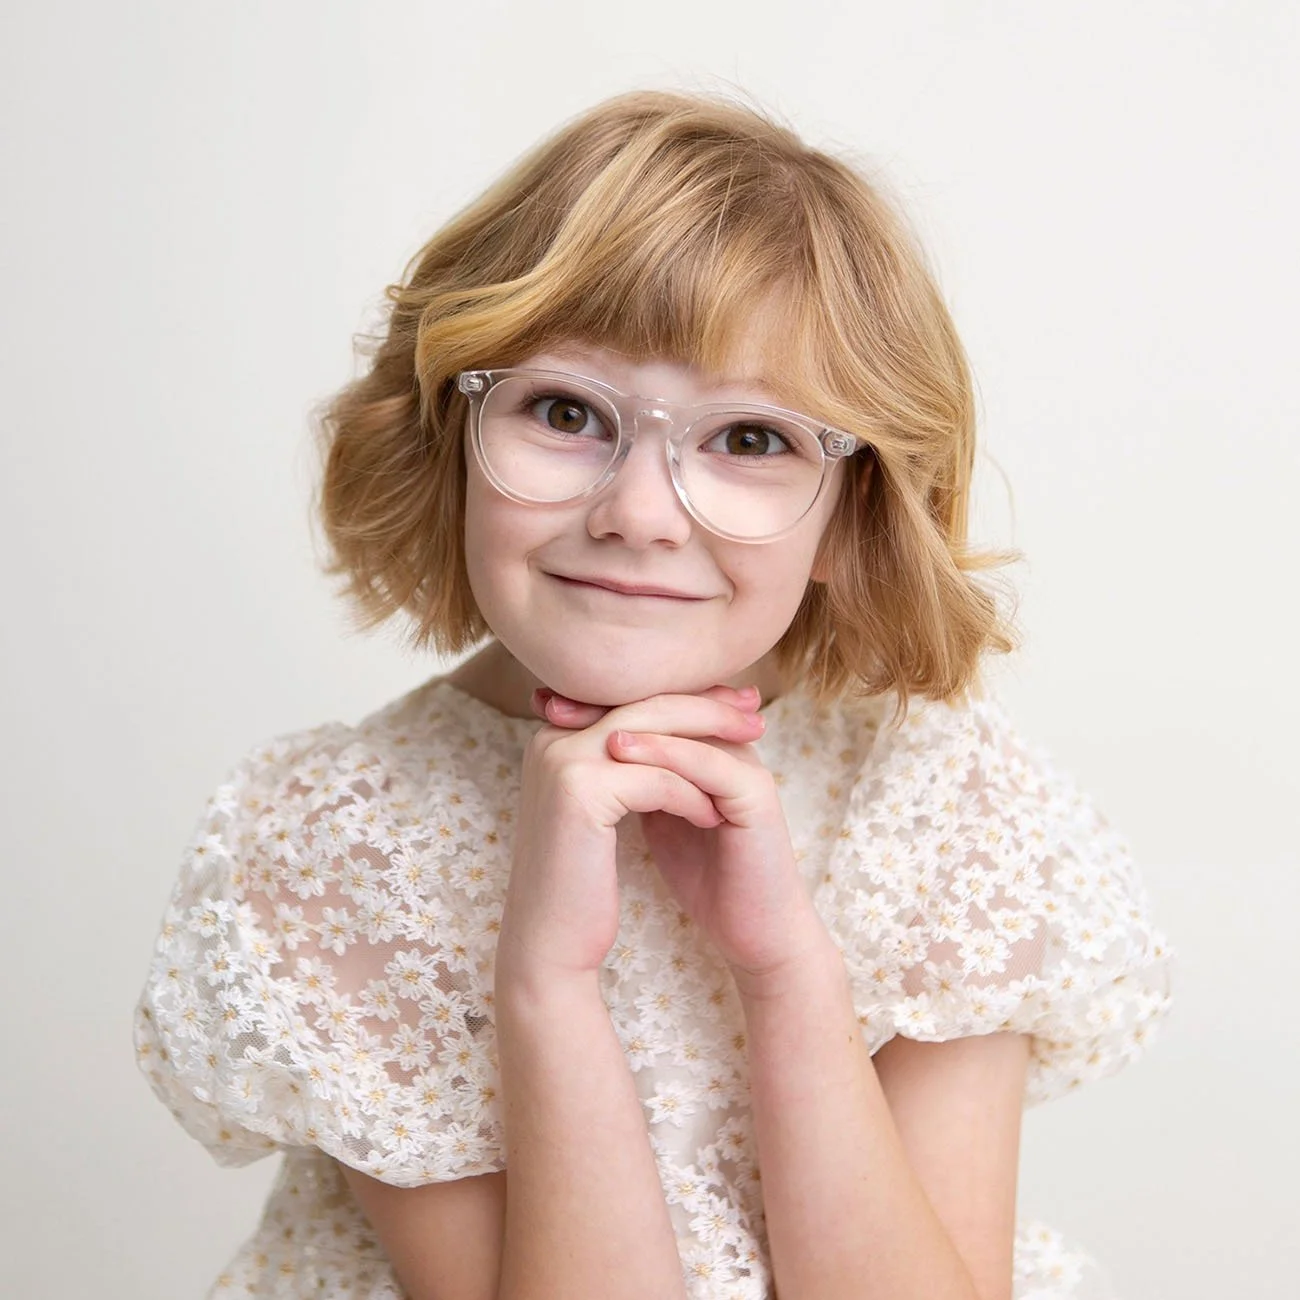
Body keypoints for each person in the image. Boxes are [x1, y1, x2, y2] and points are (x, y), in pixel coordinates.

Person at [134, 90, 1173, 1300]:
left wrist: (784, 970)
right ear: (447, 439)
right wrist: (546, 981)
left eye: (750, 439)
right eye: (565, 412)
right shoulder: (331, 839)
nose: (638, 512)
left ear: (856, 511)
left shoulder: (934, 794)